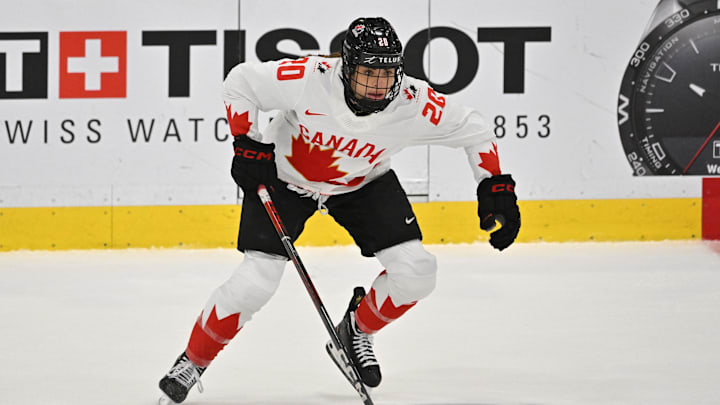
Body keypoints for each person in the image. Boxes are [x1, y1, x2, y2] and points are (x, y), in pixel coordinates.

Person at [158, 16, 520, 403]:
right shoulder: (310, 78)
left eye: (387, 74)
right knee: (255, 282)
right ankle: (193, 361)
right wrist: (247, 141)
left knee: (418, 272)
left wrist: (494, 186)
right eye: (368, 73)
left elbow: (475, 128)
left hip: (361, 183)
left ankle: (356, 331)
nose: (379, 85)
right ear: (346, 67)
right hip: (285, 179)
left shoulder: (413, 102)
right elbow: (241, 83)